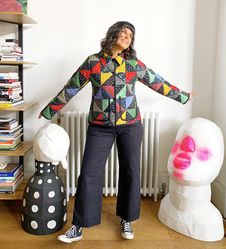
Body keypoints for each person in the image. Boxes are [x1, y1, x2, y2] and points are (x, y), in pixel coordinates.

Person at [39, 21, 194, 243]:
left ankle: (127, 219)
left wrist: (184, 96)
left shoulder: (133, 64)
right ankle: (78, 225)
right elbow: (70, 88)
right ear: (113, 34)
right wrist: (48, 111)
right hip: (99, 128)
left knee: (131, 171)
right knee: (89, 174)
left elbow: (158, 83)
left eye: (131, 34)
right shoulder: (93, 62)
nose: (127, 36)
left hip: (131, 126)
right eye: (124, 31)